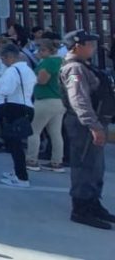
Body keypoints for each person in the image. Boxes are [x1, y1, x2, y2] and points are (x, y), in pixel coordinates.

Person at [60, 31, 114, 229]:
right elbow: (79, 100)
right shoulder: (74, 68)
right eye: (90, 44)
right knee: (84, 166)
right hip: (84, 125)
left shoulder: (84, 65)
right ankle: (81, 209)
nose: (93, 48)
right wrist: (93, 125)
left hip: (95, 122)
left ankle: (93, 204)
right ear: (77, 46)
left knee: (96, 166)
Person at [0, 42, 36, 188]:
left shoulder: (12, 71)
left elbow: (6, 90)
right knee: (16, 144)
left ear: (9, 57)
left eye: (3, 58)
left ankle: (22, 177)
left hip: (14, 107)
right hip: (26, 106)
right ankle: (18, 172)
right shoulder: (28, 70)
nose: (3, 62)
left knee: (14, 144)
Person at [25, 38, 65, 172]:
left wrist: (31, 79)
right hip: (58, 100)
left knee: (34, 130)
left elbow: (42, 80)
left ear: (48, 50)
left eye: (42, 50)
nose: (39, 52)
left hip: (45, 99)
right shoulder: (61, 61)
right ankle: (57, 162)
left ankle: (32, 160)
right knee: (56, 133)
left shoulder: (48, 62)